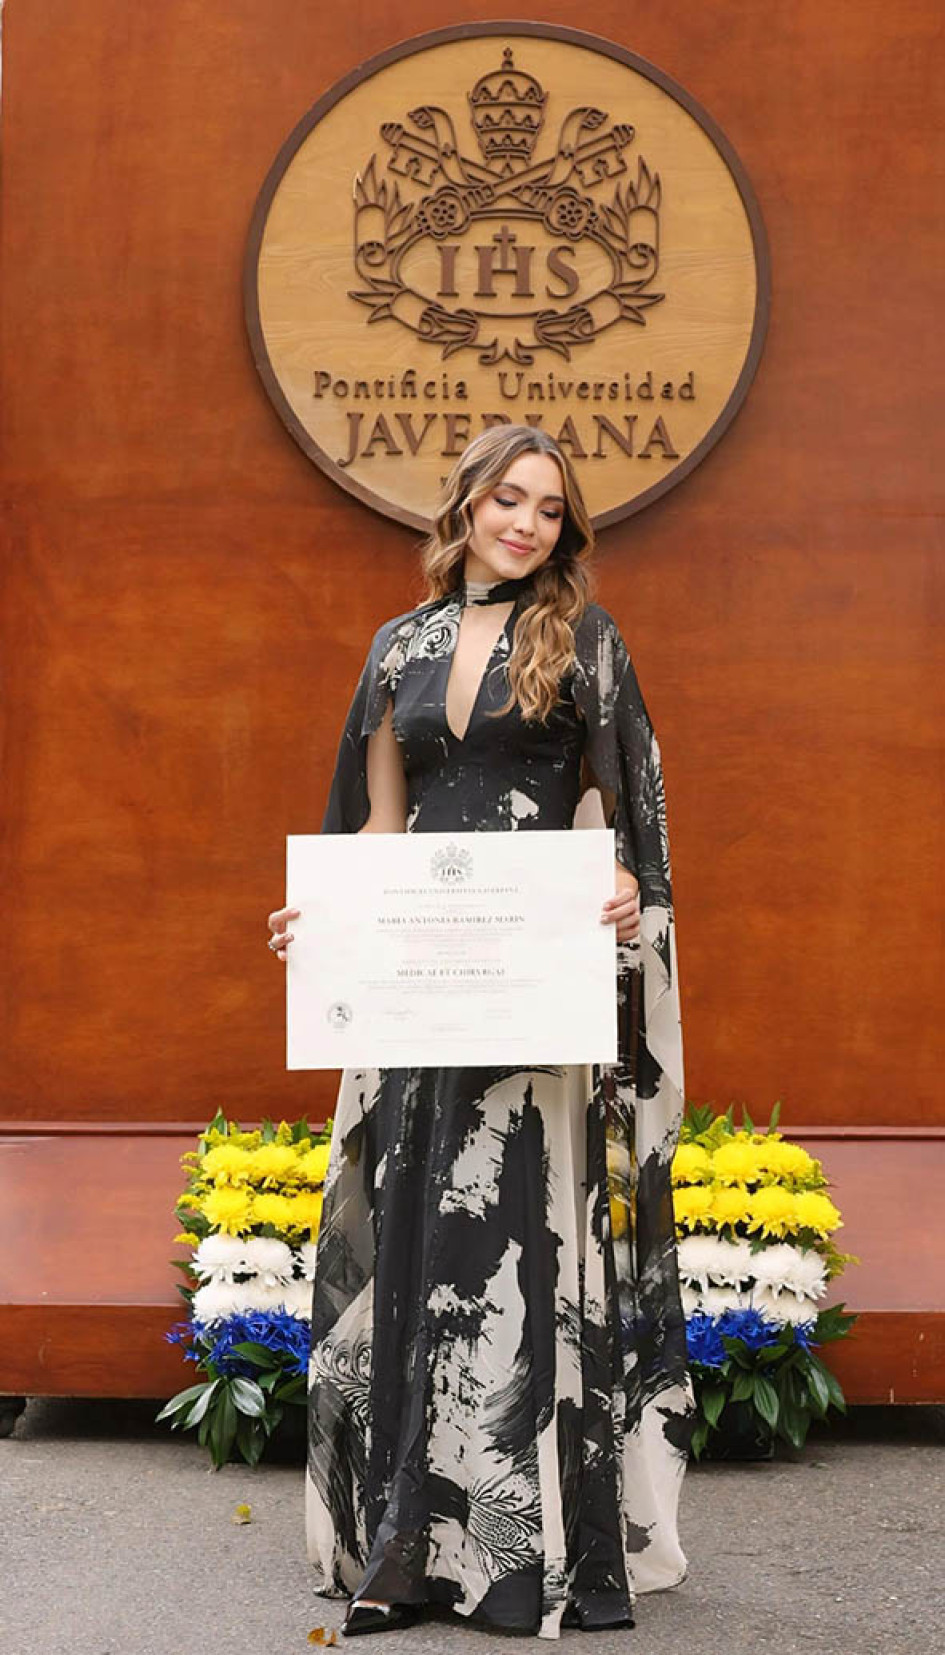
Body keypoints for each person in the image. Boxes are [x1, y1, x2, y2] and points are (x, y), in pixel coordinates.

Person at [266, 425, 696, 1639]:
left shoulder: (586, 641)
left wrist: (621, 891)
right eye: (508, 498)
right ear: (463, 502)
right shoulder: (394, 647)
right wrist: (323, 913)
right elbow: (380, 825)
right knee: (417, 1249)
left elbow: (619, 813)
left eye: (550, 509)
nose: (526, 522)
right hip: (420, 993)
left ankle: (528, 1552)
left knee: (511, 1258)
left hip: (534, 993)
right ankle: (406, 1542)